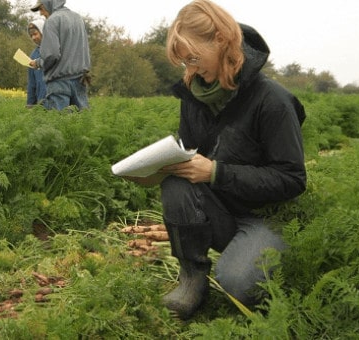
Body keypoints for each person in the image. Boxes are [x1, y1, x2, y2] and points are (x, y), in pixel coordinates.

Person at [123, 0, 306, 320]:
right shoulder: (194, 96)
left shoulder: (272, 101)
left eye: (193, 58)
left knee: (238, 282)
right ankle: (192, 277)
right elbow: (189, 155)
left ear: (221, 41)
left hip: (265, 216)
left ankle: (252, 262)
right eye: (184, 62)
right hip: (221, 210)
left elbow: (292, 179)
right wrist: (157, 169)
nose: (190, 70)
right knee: (176, 180)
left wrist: (217, 172)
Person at [28, 0, 91, 111]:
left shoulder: (52, 21)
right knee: (81, 124)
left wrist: (38, 63)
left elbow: (51, 55)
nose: (41, 13)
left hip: (59, 82)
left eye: (42, 8)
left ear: (49, 3)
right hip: (80, 79)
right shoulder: (78, 18)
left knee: (57, 124)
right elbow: (84, 49)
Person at [26, 19, 47, 108]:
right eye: (31, 36)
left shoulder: (56, 50)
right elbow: (32, 83)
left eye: (35, 34)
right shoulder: (33, 55)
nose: (33, 38)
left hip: (59, 102)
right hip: (41, 103)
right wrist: (30, 104)